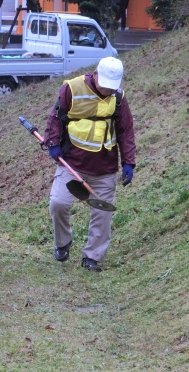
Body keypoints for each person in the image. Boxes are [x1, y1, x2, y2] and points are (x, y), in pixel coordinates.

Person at [42, 56, 136, 271]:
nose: (107, 91)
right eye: (105, 86)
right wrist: (53, 143)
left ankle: (92, 257)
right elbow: (55, 117)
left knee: (102, 214)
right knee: (58, 204)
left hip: (105, 167)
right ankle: (62, 243)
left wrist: (129, 161)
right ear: (95, 75)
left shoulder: (119, 98)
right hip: (72, 163)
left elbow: (126, 131)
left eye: (112, 88)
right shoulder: (71, 89)